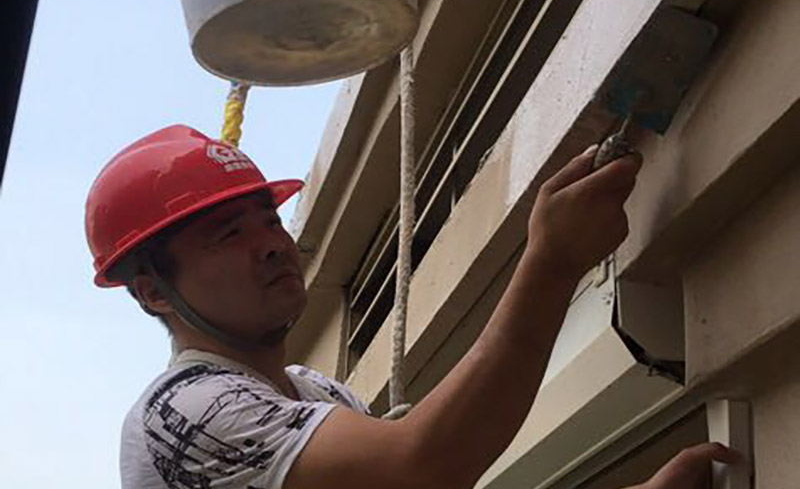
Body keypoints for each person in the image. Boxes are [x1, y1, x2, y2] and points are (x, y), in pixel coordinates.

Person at [85, 124, 738, 489]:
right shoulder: (183, 410)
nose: (272, 245)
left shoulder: (314, 393)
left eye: (269, 220)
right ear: (153, 292)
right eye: (229, 233)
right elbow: (422, 467)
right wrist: (553, 262)